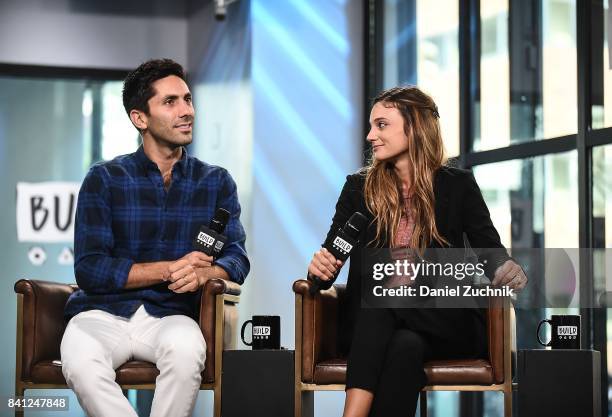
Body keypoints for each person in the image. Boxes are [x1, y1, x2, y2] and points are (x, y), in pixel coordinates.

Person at [307, 86, 527, 417]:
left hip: (443, 319)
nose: (370, 136)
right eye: (371, 126)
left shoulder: (458, 185)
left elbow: (491, 255)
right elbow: (329, 262)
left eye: (381, 125)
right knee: (403, 346)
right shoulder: (358, 187)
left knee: (385, 300)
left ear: (414, 126)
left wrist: (507, 269)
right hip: (373, 326)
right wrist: (319, 270)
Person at [60, 58, 250, 417]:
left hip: (171, 315)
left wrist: (206, 274)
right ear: (140, 118)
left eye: (188, 99)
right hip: (101, 312)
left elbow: (237, 258)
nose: (186, 111)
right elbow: (90, 269)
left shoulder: (216, 182)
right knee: (80, 361)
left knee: (187, 352)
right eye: (171, 102)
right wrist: (169, 269)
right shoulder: (104, 178)